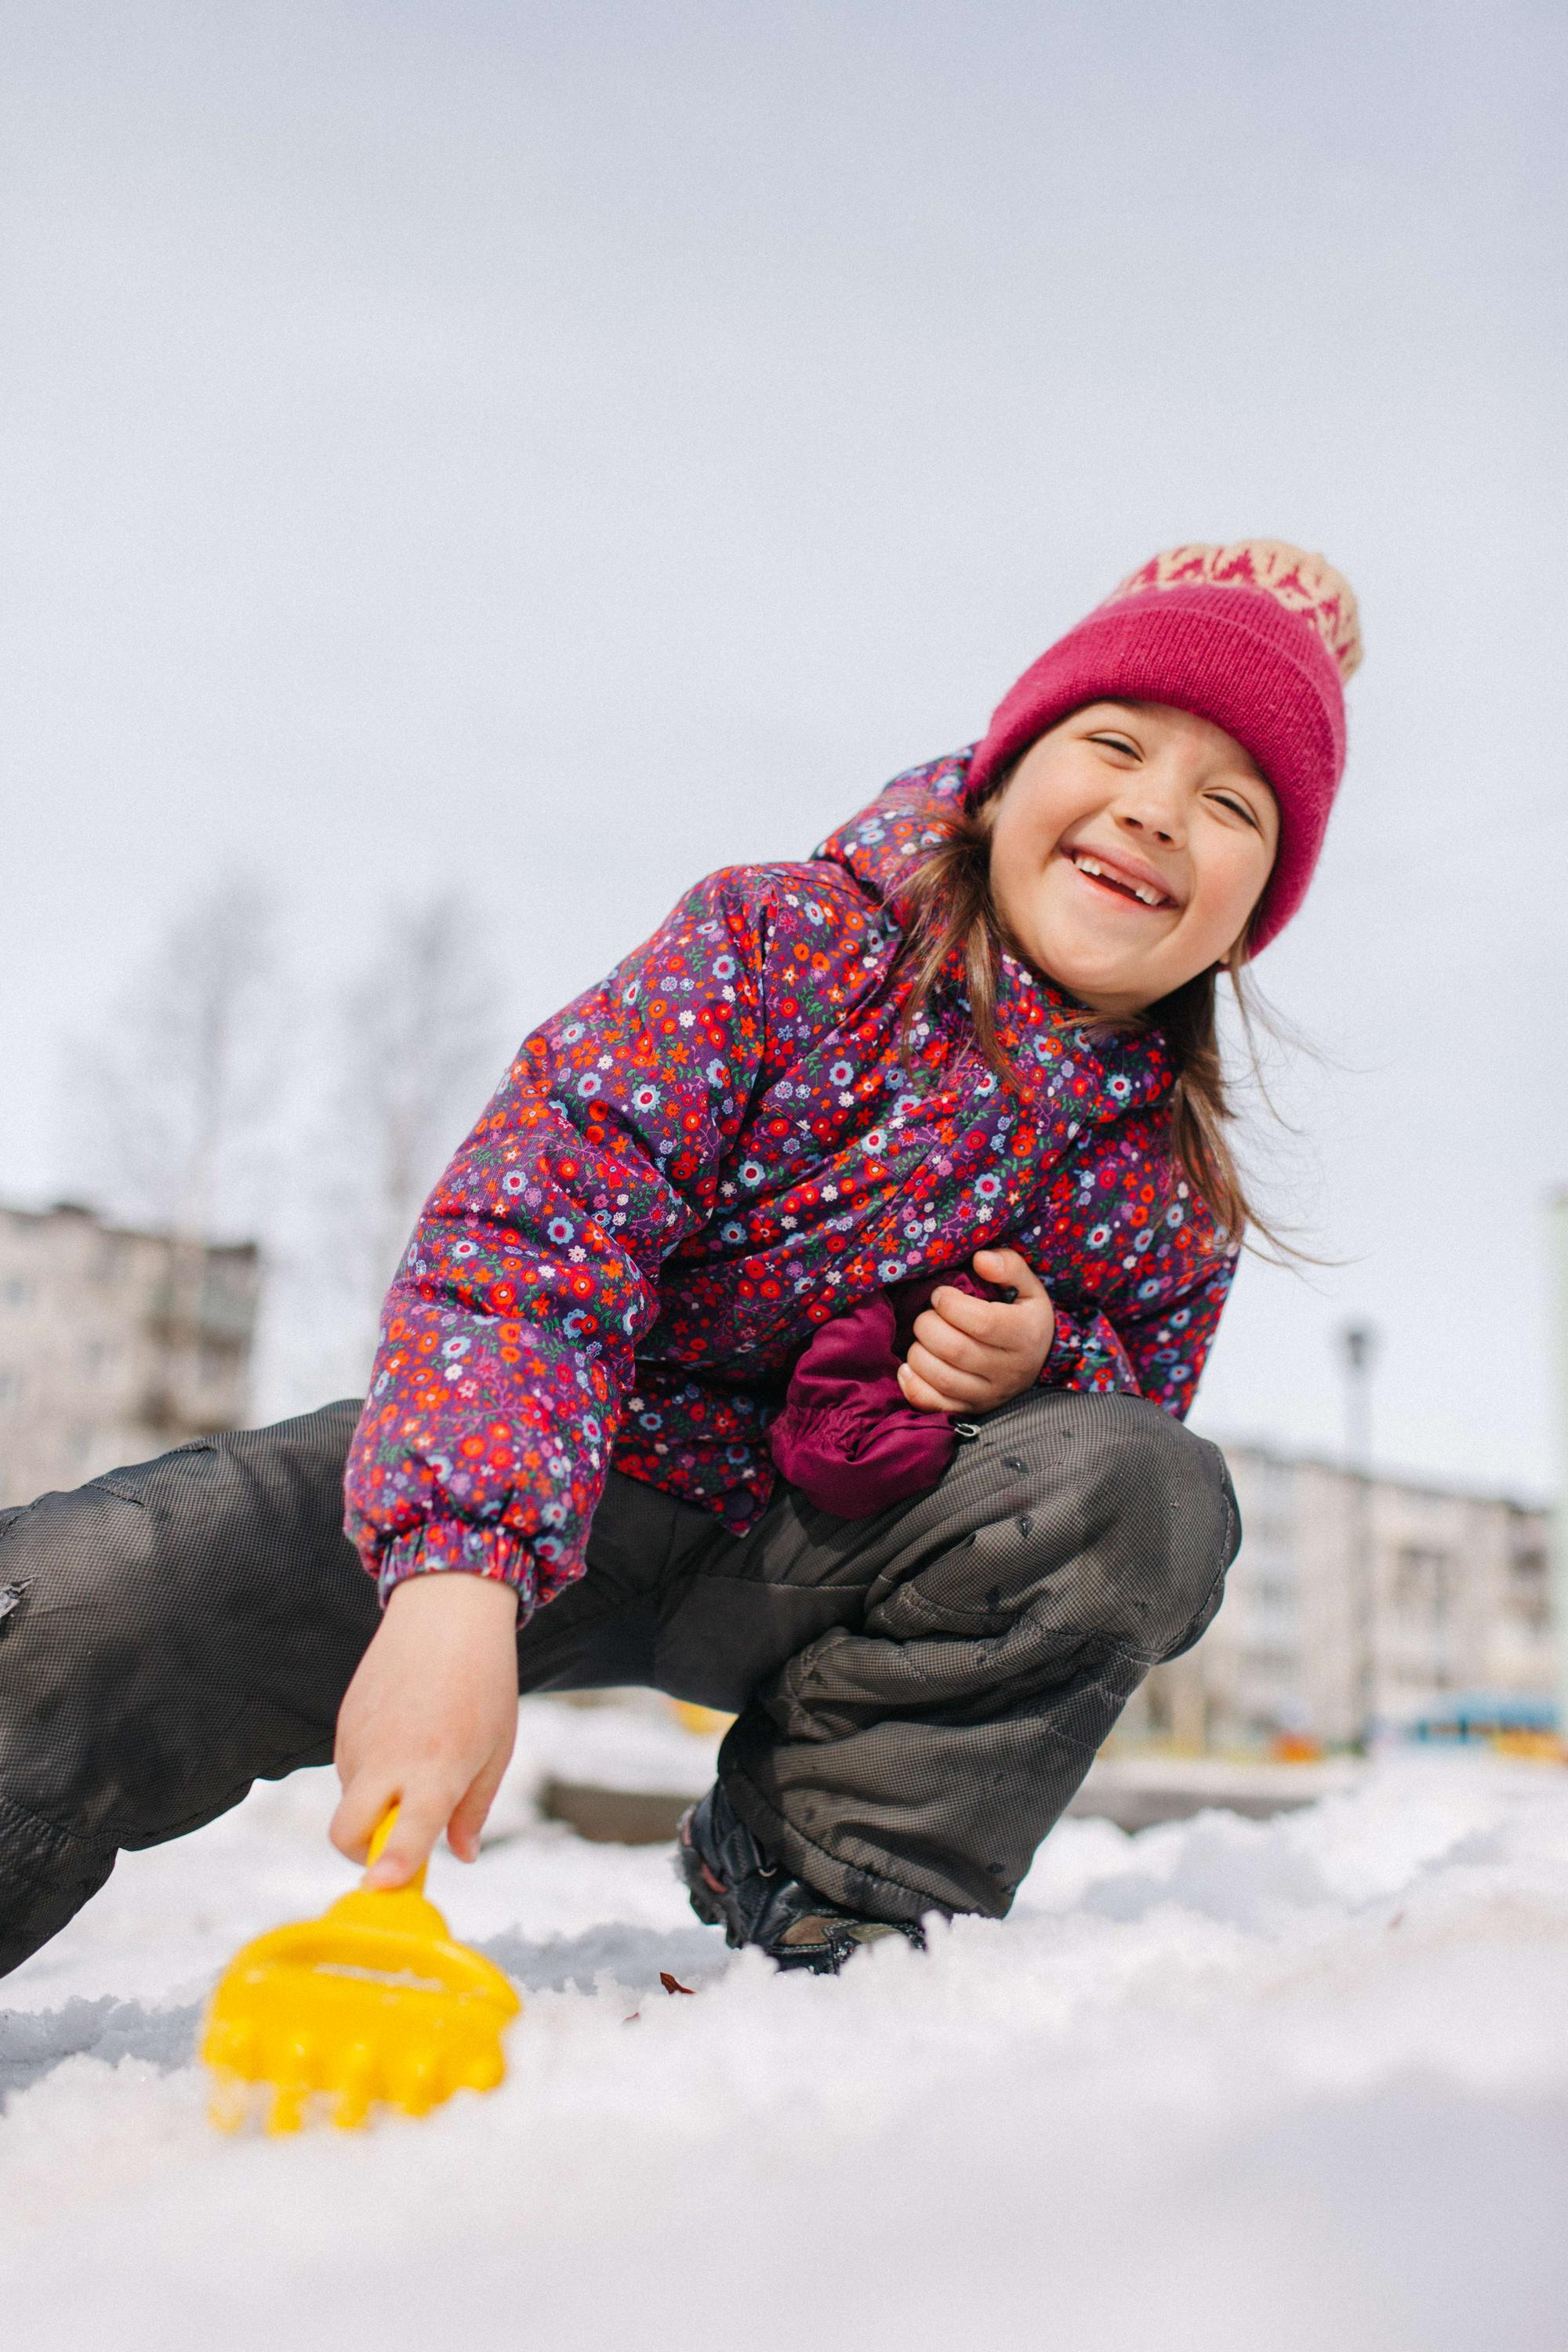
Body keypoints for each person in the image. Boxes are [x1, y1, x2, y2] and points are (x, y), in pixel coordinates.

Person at [0, 539, 1361, 1978]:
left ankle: (823, 1874)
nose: (1156, 812)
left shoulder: (1166, 1178)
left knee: (1153, 1491)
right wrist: (456, 1577)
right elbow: (536, 1230)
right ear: (1003, 773)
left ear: (1253, 913)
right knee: (92, 1589)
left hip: (814, 1560)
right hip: (554, 1479)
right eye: (1115, 745)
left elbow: (1097, 1483)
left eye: (1230, 806)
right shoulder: (773, 944)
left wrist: (1043, 1366)